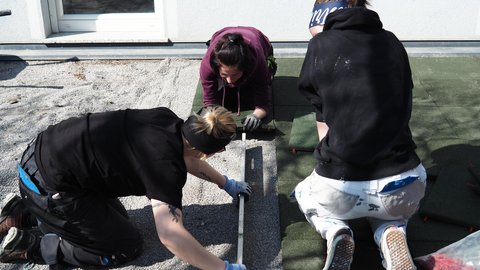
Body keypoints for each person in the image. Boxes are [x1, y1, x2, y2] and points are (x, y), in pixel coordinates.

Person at [0, 106, 251, 270]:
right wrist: (223, 267)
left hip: (42, 154)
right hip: (49, 186)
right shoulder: (165, 169)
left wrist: (226, 183)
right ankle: (30, 245)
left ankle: (21, 213)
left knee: (117, 218)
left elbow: (190, 157)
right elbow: (171, 236)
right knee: (124, 247)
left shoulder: (166, 119)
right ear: (213, 150)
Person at [294, 1, 426, 270]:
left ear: (323, 16)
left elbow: (320, 109)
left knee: (303, 192)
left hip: (340, 186)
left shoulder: (320, 46)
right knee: (390, 212)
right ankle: (391, 231)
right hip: (404, 183)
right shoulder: (392, 42)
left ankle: (336, 231)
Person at [200, 26, 277, 131]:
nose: (229, 80)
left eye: (235, 74)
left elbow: (263, 103)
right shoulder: (207, 65)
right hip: (220, 36)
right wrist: (213, 114)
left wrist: (256, 115)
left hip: (258, 38)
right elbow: (209, 101)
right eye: (224, 74)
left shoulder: (258, 62)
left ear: (245, 68)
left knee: (251, 94)